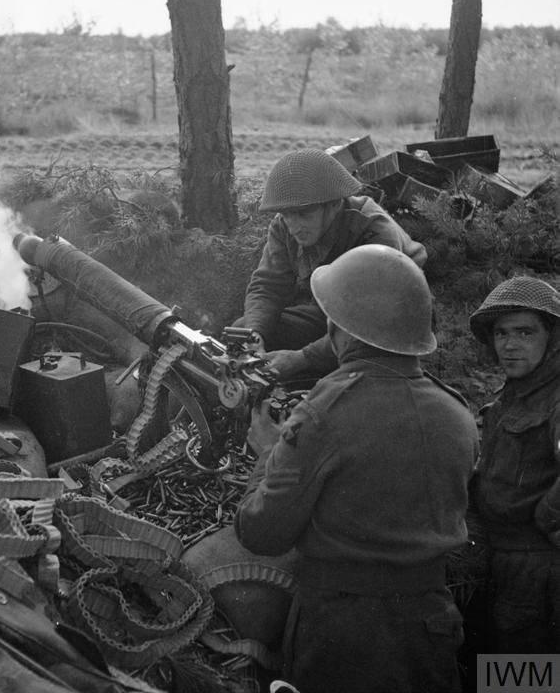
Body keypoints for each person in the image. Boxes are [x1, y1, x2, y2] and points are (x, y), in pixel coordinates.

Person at [234, 244, 479, 693]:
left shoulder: (327, 410)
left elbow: (260, 532)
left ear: (342, 328)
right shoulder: (457, 413)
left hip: (343, 637)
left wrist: (268, 453)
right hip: (432, 628)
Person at [234, 147, 427, 380]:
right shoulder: (284, 224)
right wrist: (254, 333)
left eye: (304, 214)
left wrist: (302, 358)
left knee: (355, 362)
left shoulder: (373, 232)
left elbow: (368, 322)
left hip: (390, 315)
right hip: (329, 306)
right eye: (286, 215)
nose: (293, 225)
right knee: (243, 330)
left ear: (334, 204)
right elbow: (268, 285)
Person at [468, 275, 560, 652]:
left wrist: (549, 516)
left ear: (552, 338)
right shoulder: (512, 395)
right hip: (500, 565)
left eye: (525, 333)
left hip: (536, 573)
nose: (510, 345)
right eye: (502, 334)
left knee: (523, 681)